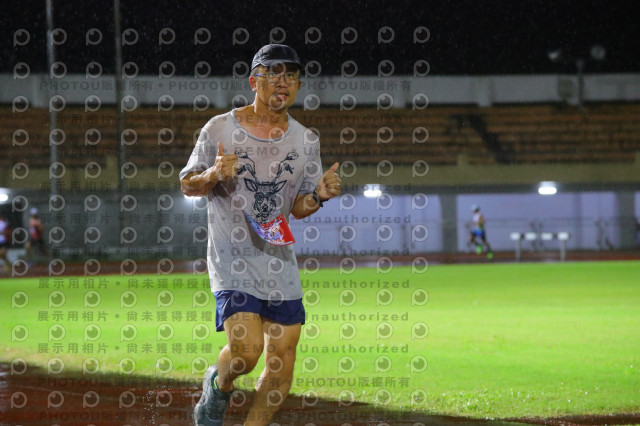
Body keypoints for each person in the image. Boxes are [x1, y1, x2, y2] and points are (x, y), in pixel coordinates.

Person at [179, 44, 341, 426]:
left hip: (278, 259)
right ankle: (218, 384)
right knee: (246, 353)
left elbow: (298, 207)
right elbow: (187, 184)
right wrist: (213, 174)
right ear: (254, 81)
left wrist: (318, 196)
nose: (283, 82)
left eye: (291, 75)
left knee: (282, 360)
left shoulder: (306, 140)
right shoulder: (219, 128)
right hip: (232, 259)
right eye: (273, 73)